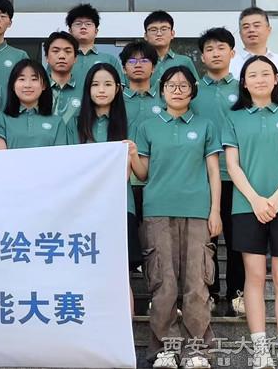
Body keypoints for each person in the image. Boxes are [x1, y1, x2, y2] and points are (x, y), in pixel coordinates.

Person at [223, 55, 278, 369]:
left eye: (265, 74)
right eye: (252, 75)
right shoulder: (234, 119)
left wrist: (274, 199)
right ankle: (261, 351)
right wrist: (256, 200)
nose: (259, 79)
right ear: (244, 82)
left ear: (276, 79)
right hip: (246, 208)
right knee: (255, 276)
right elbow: (232, 165)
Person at [133, 66, 222, 369]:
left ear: (192, 91)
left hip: (197, 211)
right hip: (157, 210)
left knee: (196, 283)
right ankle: (165, 349)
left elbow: (213, 172)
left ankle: (197, 349)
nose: (177, 90)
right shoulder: (147, 126)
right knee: (163, 283)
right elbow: (142, 173)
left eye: (184, 85)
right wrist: (131, 155)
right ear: (162, 90)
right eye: (171, 85)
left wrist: (215, 210)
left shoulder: (205, 125)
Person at [71, 63, 143, 316]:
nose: (101, 90)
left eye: (108, 84)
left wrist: (133, 154)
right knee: (86, 273)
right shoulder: (74, 125)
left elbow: (141, 173)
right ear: (87, 89)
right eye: (95, 84)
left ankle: (126, 334)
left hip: (120, 208)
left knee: (120, 274)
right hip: (84, 210)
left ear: (118, 89)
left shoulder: (131, 124)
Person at [190, 28, 245, 317]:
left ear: (232, 53)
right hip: (202, 176)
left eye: (221, 47)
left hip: (237, 176)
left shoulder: (244, 88)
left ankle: (237, 293)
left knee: (237, 240)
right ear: (202, 56)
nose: (215, 53)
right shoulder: (192, 91)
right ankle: (209, 293)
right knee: (205, 240)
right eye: (209, 49)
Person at [120, 39, 162, 218]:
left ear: (153, 67)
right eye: (132, 61)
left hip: (158, 179)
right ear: (124, 68)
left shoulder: (166, 98)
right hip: (123, 180)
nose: (138, 65)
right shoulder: (115, 100)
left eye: (144, 60)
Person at [229, 7, 278, 110]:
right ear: (240, 33)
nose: (251, 30)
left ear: (269, 30)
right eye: (246, 27)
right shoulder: (231, 63)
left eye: (257, 25)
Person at [0, 59, 67, 149]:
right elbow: (0, 156)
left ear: (44, 85)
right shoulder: (1, 119)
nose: (27, 85)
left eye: (34, 79)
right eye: (22, 79)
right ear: (13, 85)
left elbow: (60, 155)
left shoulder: (57, 122)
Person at [65, 3, 124, 90]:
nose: (83, 27)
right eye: (78, 24)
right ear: (70, 31)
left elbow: (119, 90)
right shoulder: (61, 59)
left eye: (88, 24)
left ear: (96, 31)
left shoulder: (110, 60)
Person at [143, 10, 199, 88]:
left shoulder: (185, 61)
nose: (159, 33)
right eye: (153, 30)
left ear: (172, 34)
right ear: (145, 36)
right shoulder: (139, 63)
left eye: (164, 29)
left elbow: (196, 90)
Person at [44, 31, 82, 125]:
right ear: (46, 57)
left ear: (75, 58)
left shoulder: (85, 90)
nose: (61, 56)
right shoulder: (37, 89)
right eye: (55, 51)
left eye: (68, 51)